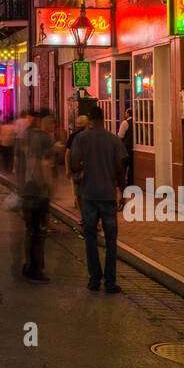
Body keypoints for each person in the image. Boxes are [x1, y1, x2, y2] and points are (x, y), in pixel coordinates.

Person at [68, 109, 128, 293]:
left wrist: (84, 167)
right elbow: (120, 167)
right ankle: (110, 282)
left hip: (88, 194)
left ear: (91, 120)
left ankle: (94, 279)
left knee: (90, 238)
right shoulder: (113, 139)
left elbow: (74, 163)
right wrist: (122, 191)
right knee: (111, 240)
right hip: (108, 194)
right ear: (103, 119)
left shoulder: (81, 138)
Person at [17, 110, 55, 283]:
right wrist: (48, 190)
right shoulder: (45, 139)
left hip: (27, 188)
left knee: (31, 230)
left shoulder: (25, 136)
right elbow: (46, 165)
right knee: (39, 232)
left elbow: (17, 164)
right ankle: (36, 268)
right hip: (38, 190)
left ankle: (29, 265)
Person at [117, 106, 135, 189]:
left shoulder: (125, 123)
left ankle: (121, 183)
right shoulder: (136, 122)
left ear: (128, 114)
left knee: (123, 166)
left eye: (126, 113)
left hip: (125, 147)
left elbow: (120, 136)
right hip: (134, 147)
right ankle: (131, 183)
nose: (125, 114)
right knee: (132, 167)